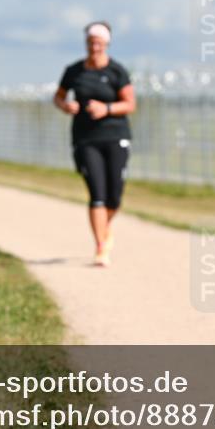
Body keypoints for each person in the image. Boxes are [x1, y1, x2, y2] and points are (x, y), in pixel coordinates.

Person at [54, 22, 136, 267]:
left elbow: (130, 103)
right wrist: (65, 105)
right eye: (91, 41)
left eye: (99, 42)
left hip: (115, 136)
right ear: (86, 42)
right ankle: (101, 246)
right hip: (85, 139)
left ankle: (104, 228)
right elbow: (58, 96)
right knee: (96, 193)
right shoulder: (74, 71)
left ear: (106, 43)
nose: (94, 46)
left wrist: (107, 108)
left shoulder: (117, 72)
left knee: (115, 196)